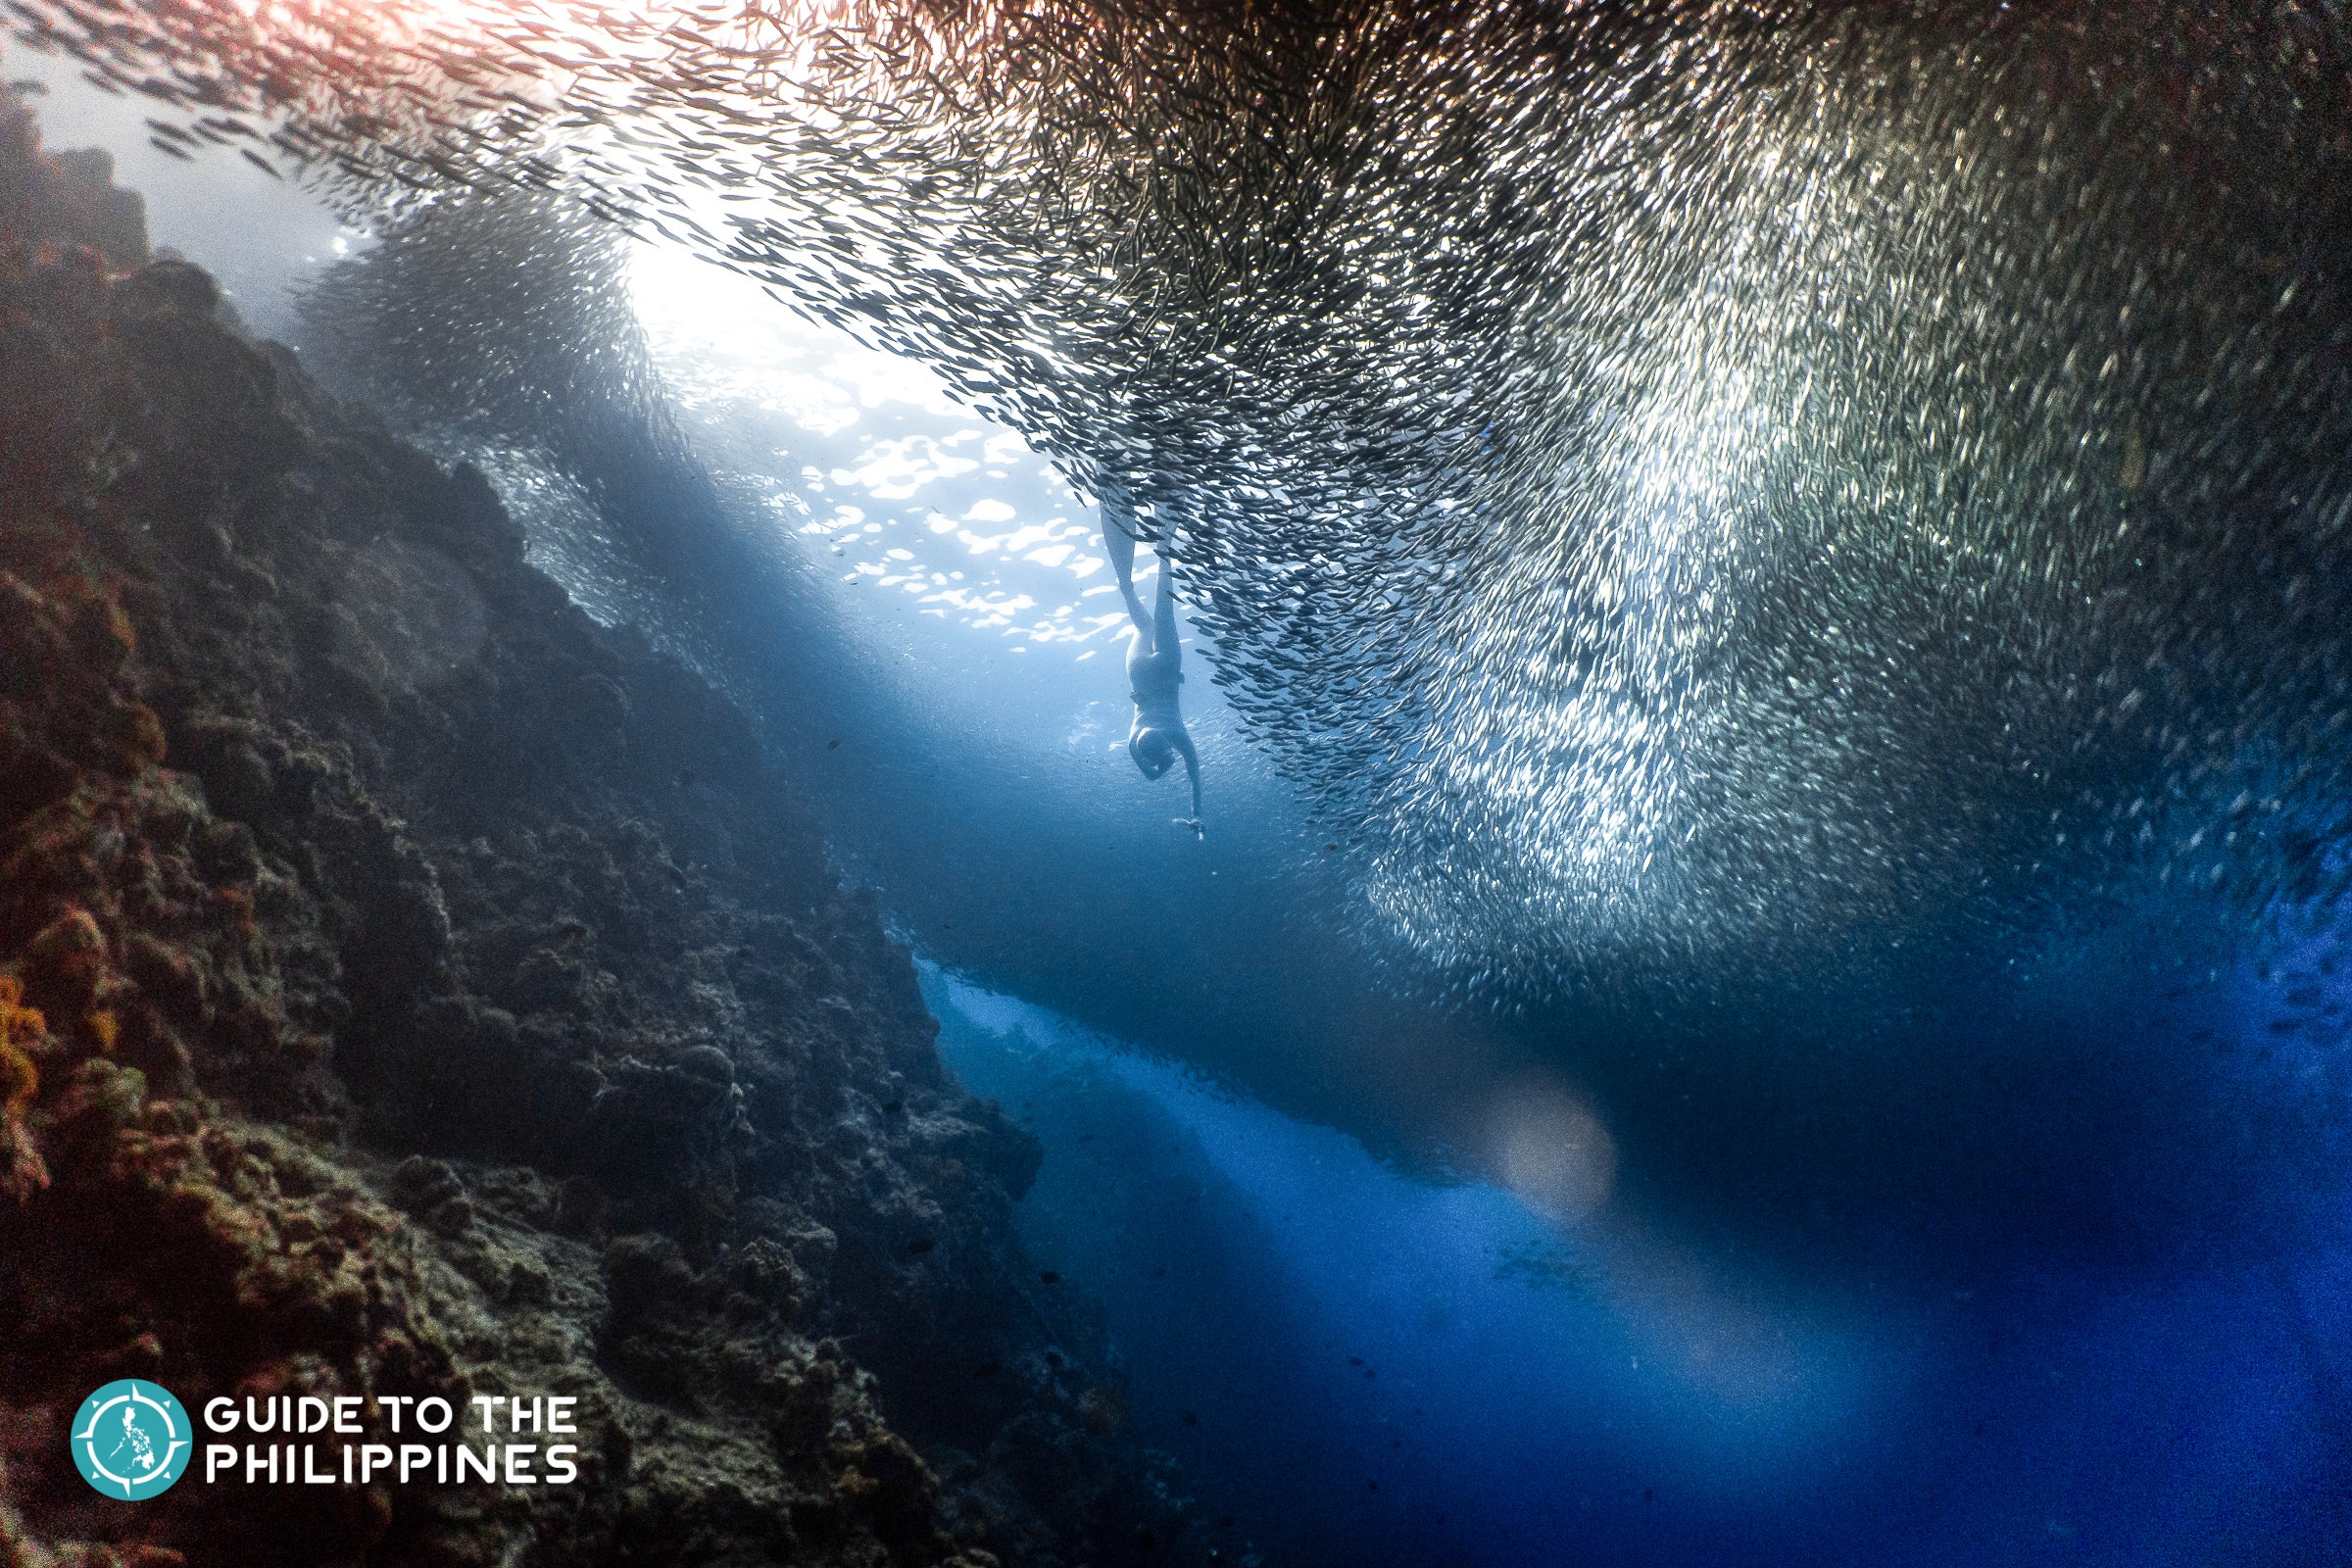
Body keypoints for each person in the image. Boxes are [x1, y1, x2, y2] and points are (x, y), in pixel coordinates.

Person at [1102, 492, 1201, 835]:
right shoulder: (1134, 743)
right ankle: (1126, 583)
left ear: (1165, 748)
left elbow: (1194, 773)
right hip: (1140, 677)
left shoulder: (1176, 735)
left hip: (1168, 673)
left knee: (1163, 604)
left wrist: (1197, 813)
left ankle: (1164, 549)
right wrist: (1161, 769)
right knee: (1144, 625)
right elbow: (1150, 772)